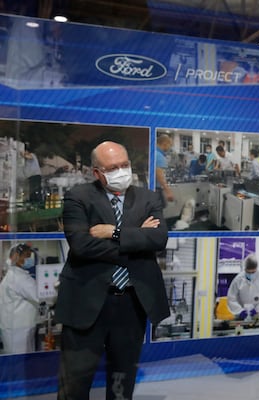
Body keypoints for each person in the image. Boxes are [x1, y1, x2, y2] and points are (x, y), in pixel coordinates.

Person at [54, 141, 170, 400]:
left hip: (132, 303)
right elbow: (82, 246)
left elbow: (159, 239)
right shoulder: (78, 196)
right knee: (74, 383)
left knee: (122, 381)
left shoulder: (148, 197)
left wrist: (113, 232)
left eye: (125, 165)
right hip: (87, 301)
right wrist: (137, 240)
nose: (121, 171)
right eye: (113, 167)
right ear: (97, 172)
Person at [0, 243, 40, 354]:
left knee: (18, 362)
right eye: (27, 256)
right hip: (19, 329)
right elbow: (40, 296)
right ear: (16, 256)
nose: (29, 259)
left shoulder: (13, 274)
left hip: (15, 327)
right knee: (21, 363)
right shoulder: (19, 278)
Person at [226, 254, 259, 320]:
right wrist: (240, 311)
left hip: (258, 316)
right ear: (245, 269)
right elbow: (231, 298)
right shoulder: (238, 280)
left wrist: (258, 310)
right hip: (241, 317)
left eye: (253, 272)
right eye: (248, 272)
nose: (250, 274)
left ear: (256, 268)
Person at [156, 134, 175, 207]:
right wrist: (168, 192)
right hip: (157, 189)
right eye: (170, 145)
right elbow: (160, 176)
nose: (170, 147)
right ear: (165, 144)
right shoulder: (159, 156)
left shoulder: (154, 152)